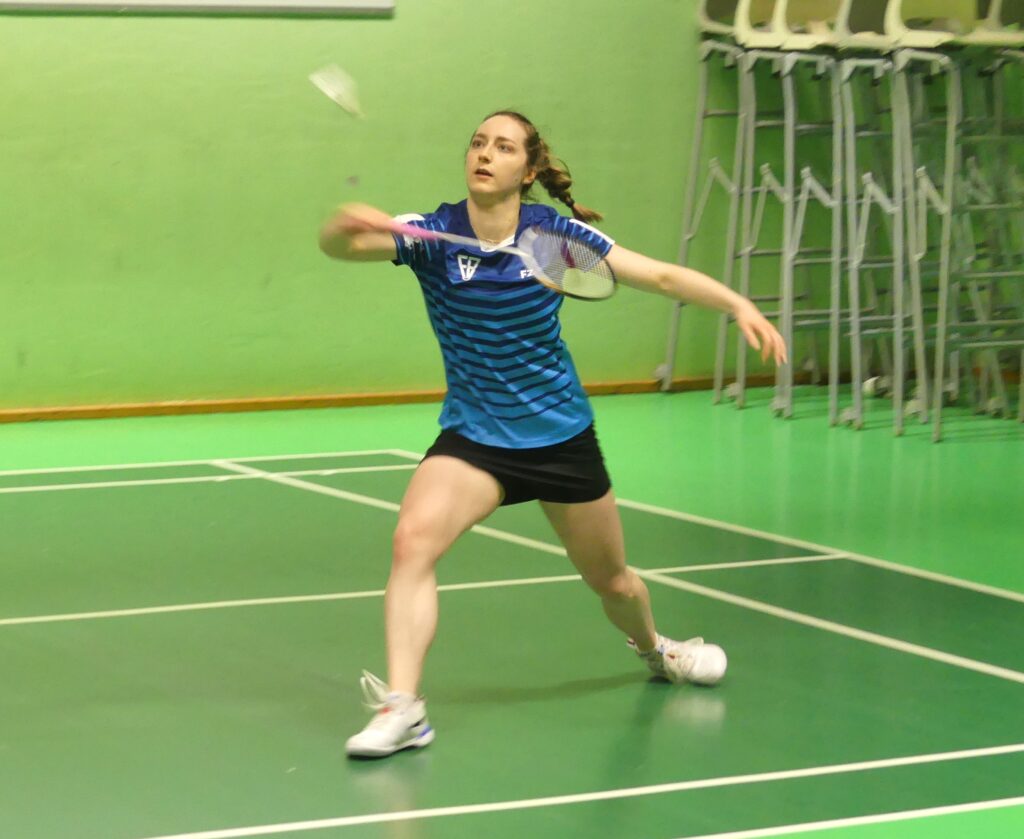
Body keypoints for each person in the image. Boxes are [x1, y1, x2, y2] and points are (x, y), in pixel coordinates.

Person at [319, 110, 787, 759]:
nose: (485, 154)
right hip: (476, 439)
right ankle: (404, 707)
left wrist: (738, 304)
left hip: (560, 438)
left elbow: (657, 275)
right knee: (412, 542)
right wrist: (344, 226)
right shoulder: (431, 234)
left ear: (528, 169)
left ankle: (658, 649)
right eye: (478, 143)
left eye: (503, 147)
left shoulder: (553, 235)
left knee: (613, 581)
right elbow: (343, 249)